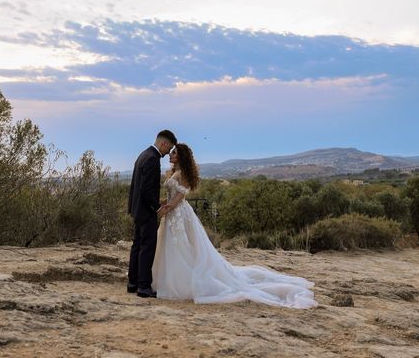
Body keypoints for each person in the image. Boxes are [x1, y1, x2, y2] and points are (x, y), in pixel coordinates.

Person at [152, 143, 317, 308]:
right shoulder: (173, 172)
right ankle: (168, 280)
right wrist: (161, 204)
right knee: (174, 246)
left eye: (174, 153)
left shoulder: (183, 174)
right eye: (171, 152)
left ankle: (181, 283)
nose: (170, 155)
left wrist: (164, 210)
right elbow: (171, 195)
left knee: (182, 247)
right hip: (172, 213)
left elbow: (180, 197)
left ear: (181, 156)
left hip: (179, 214)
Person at [127, 129, 178, 298]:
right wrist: (157, 208)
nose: (168, 152)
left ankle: (132, 283)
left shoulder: (143, 155)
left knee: (137, 246)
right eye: (169, 148)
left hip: (137, 209)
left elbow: (136, 187)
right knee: (147, 248)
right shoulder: (152, 159)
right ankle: (143, 287)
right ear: (163, 143)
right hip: (146, 211)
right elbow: (147, 190)